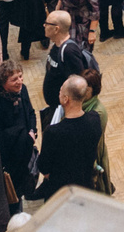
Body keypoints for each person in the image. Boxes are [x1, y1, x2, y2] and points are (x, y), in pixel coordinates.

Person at [35, 75, 104, 203]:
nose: (59, 92)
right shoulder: (94, 119)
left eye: (61, 90)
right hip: (85, 188)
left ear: (66, 99)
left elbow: (44, 167)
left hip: (61, 194)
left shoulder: (53, 132)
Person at [0, 61, 39, 203]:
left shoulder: (23, 90)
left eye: (21, 76)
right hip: (9, 159)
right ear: (2, 82)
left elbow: (31, 113)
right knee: (11, 194)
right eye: (14, 79)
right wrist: (21, 133)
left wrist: (32, 131)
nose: (20, 81)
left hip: (26, 149)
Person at [42, 9, 97, 109]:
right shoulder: (56, 45)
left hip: (64, 108)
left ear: (56, 29)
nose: (44, 26)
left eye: (47, 23)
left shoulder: (69, 52)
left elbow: (77, 84)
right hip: (57, 105)